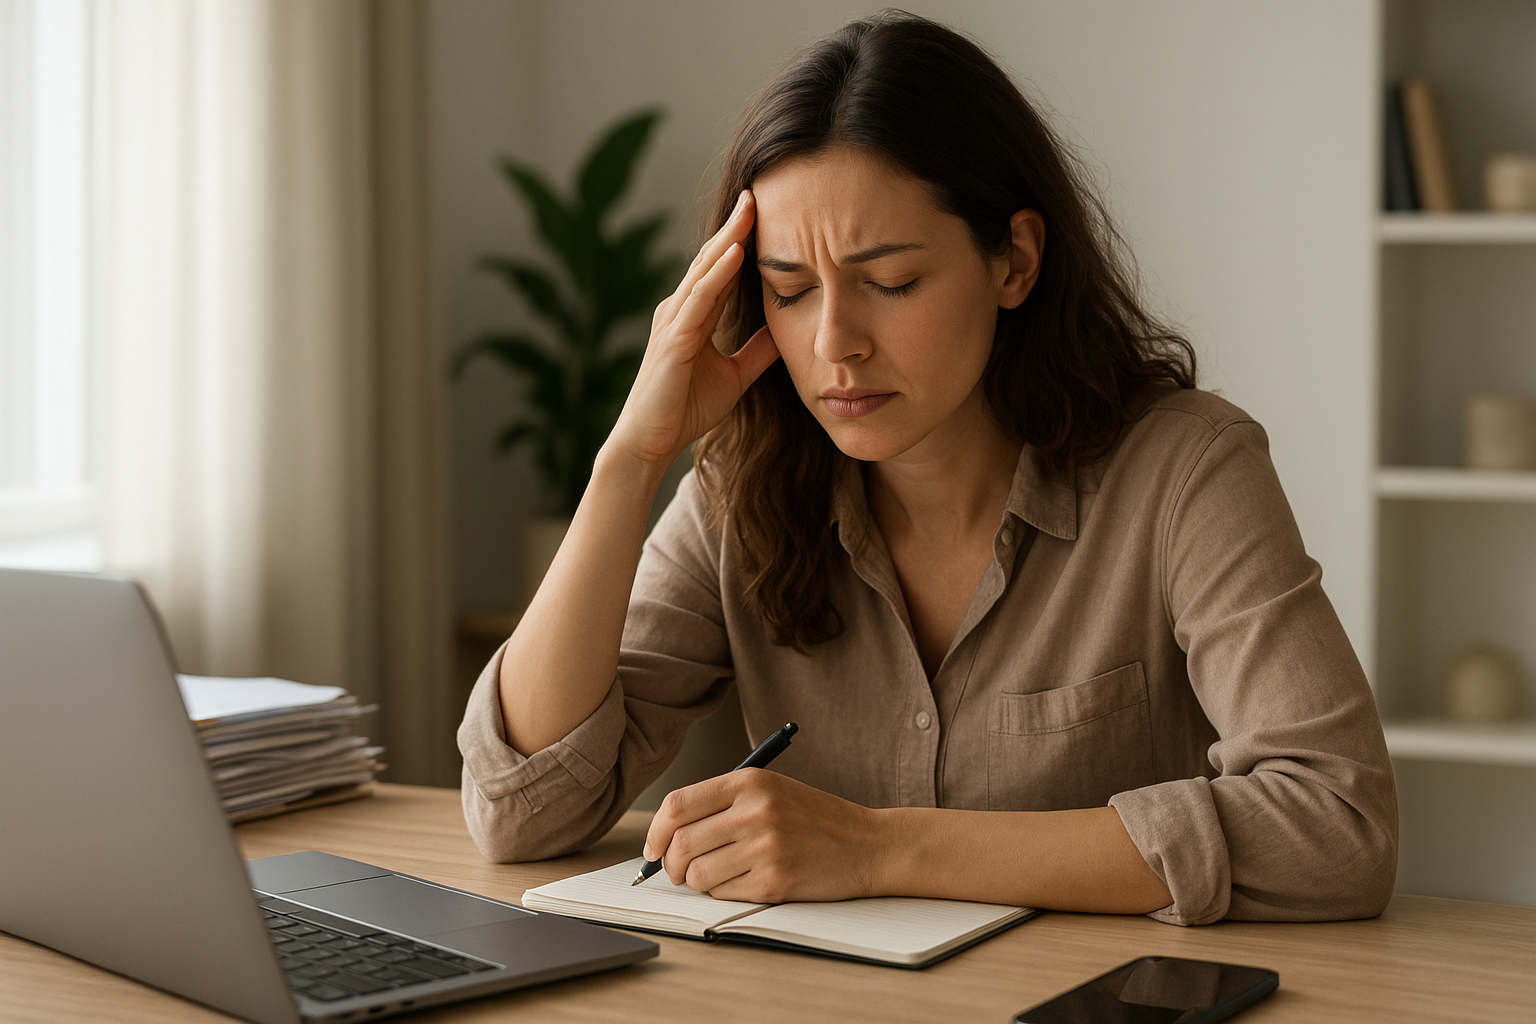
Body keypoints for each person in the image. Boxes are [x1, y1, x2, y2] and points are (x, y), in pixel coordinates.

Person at [457, 12, 1397, 927]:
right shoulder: (742, 489)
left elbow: (1337, 825)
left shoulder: (1186, 471)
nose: (834, 344)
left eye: (891, 283)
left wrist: (880, 848)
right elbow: (518, 812)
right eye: (789, 290)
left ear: (1015, 261)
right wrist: (633, 456)